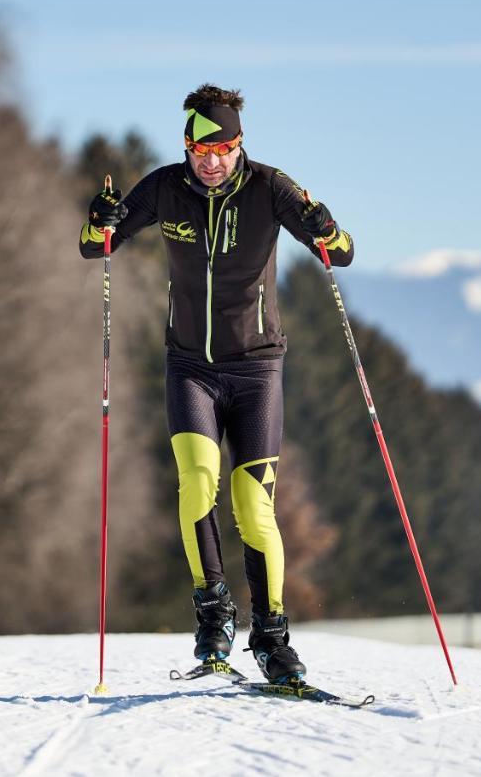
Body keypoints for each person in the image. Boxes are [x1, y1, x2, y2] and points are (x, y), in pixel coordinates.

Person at [78, 84, 354, 682]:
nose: (210, 161)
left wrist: (325, 228)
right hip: (190, 368)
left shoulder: (270, 188)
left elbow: (342, 253)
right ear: (186, 146)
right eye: (199, 150)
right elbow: (94, 245)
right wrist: (98, 222)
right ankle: (214, 615)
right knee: (197, 483)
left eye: (222, 149)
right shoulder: (165, 188)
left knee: (254, 506)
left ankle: (272, 638)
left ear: (238, 145)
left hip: (256, 369)